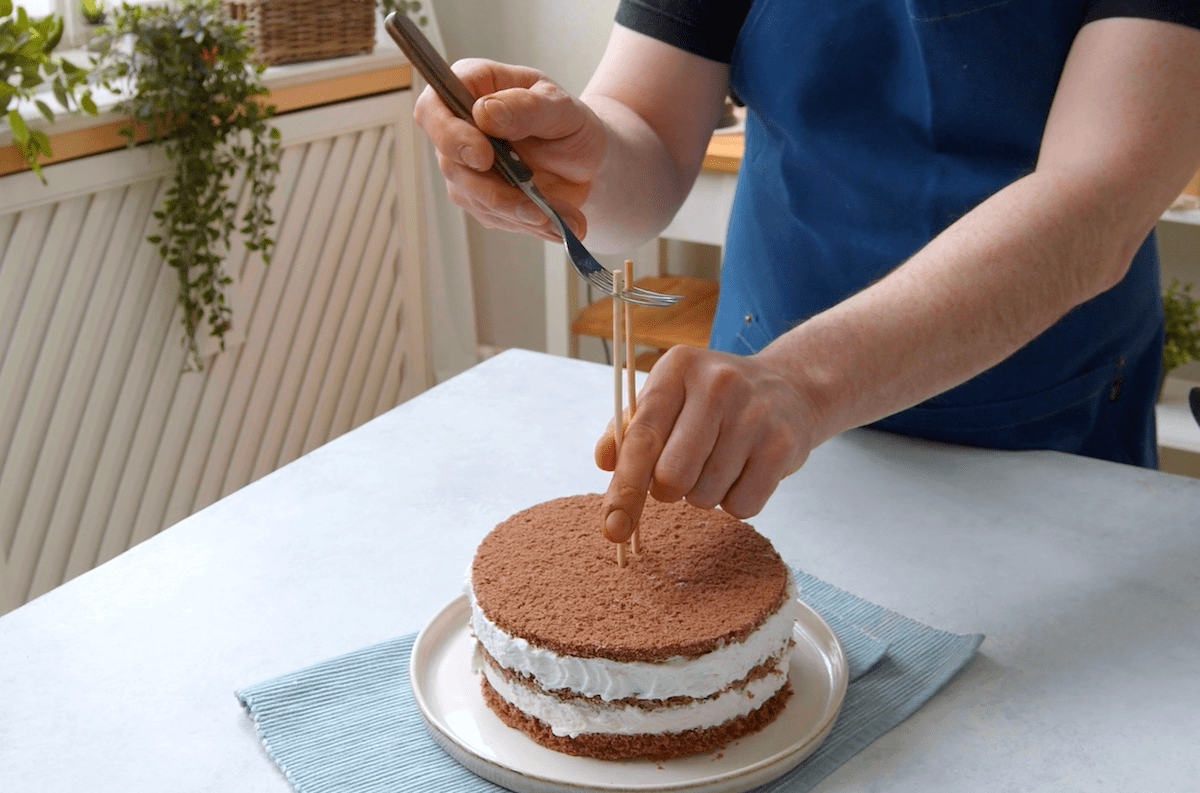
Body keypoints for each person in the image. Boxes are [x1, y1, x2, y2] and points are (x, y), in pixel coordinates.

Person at [415, 1, 1200, 542]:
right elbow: (645, 137)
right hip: (763, 447)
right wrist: (577, 162)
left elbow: (1098, 201)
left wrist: (803, 381)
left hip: (1046, 432)